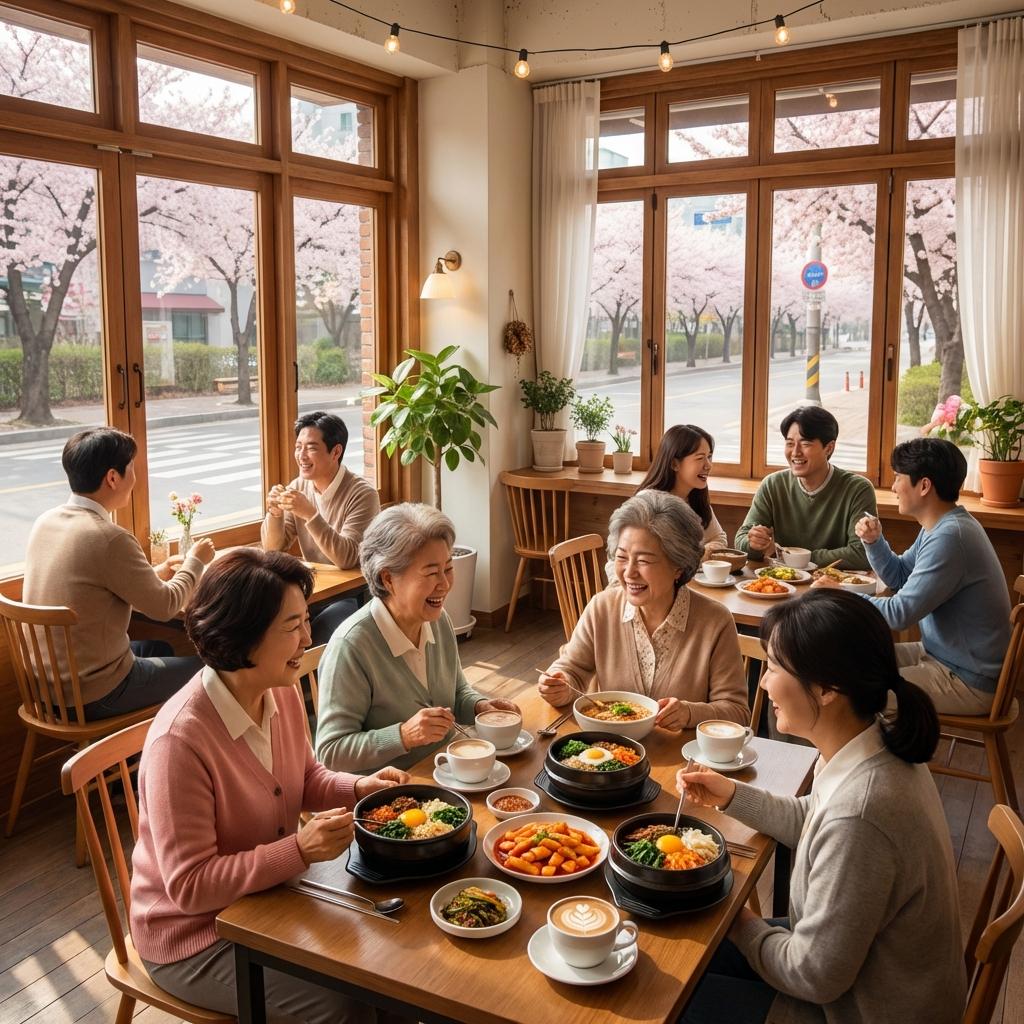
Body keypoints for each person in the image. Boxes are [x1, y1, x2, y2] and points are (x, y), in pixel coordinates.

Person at [131, 548, 409, 1024]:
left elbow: (305, 778)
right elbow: (190, 887)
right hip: (194, 936)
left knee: (393, 971)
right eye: (293, 626)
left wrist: (362, 787)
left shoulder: (279, 687)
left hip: (268, 900)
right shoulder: (180, 741)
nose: (308, 636)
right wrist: (298, 850)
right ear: (242, 637)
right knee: (346, 1007)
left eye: (307, 620)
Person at [677, 589, 964, 1024]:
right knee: (690, 957)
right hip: (862, 974)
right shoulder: (873, 743)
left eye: (773, 667)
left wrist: (735, 913)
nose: (764, 682)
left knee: (675, 997)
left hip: (860, 1008)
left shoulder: (863, 814)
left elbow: (813, 975)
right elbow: (814, 817)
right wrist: (731, 794)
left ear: (828, 688)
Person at [22, 427, 215, 718]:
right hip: (95, 694)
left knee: (158, 646)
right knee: (212, 672)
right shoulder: (109, 537)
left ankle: (140, 747)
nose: (135, 478)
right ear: (113, 478)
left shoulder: (46, 521)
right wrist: (196, 562)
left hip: (47, 690)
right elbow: (165, 607)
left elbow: (92, 583)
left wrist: (154, 572)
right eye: (131, 469)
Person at [315, 504, 521, 773]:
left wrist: (481, 707)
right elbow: (331, 752)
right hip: (390, 795)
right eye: (431, 572)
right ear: (387, 578)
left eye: (448, 568)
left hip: (445, 771)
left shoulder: (438, 621)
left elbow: (456, 693)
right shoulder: (352, 646)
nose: (445, 584)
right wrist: (403, 736)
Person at [814, 438, 1010, 714]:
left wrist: (842, 594)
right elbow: (899, 576)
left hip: (967, 679)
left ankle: (884, 756)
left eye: (897, 478)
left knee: (852, 688)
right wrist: (873, 541)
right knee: (846, 660)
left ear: (924, 486)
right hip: (941, 656)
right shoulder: (941, 526)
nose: (893, 487)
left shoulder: (951, 536)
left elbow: (899, 613)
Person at [538, 490, 748, 730]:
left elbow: (737, 712)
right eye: (622, 557)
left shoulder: (715, 621)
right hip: (611, 755)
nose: (629, 572)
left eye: (644, 561)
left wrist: (690, 713)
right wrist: (558, 685)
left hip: (682, 763)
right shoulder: (602, 607)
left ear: (678, 566)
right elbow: (571, 669)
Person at [261, 411, 380, 645]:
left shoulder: (363, 494)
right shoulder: (299, 486)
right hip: (311, 590)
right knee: (265, 624)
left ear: (336, 452)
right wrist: (274, 513)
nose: (301, 456)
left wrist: (309, 514)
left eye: (311, 448)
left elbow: (346, 558)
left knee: (319, 634)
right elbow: (273, 549)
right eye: (298, 447)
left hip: (352, 595)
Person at [734, 406, 876, 569]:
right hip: (779, 585)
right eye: (789, 443)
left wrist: (793, 557)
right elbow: (741, 542)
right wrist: (753, 543)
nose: (795, 452)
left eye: (805, 444)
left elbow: (861, 554)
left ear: (829, 448)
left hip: (831, 588)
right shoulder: (773, 484)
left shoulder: (857, 489)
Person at [635, 424, 728, 557]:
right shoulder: (648, 503)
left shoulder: (695, 498)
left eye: (709, 456)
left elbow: (718, 537)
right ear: (674, 464)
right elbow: (624, 557)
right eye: (700, 458)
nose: (708, 465)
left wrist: (704, 553)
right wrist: (698, 556)